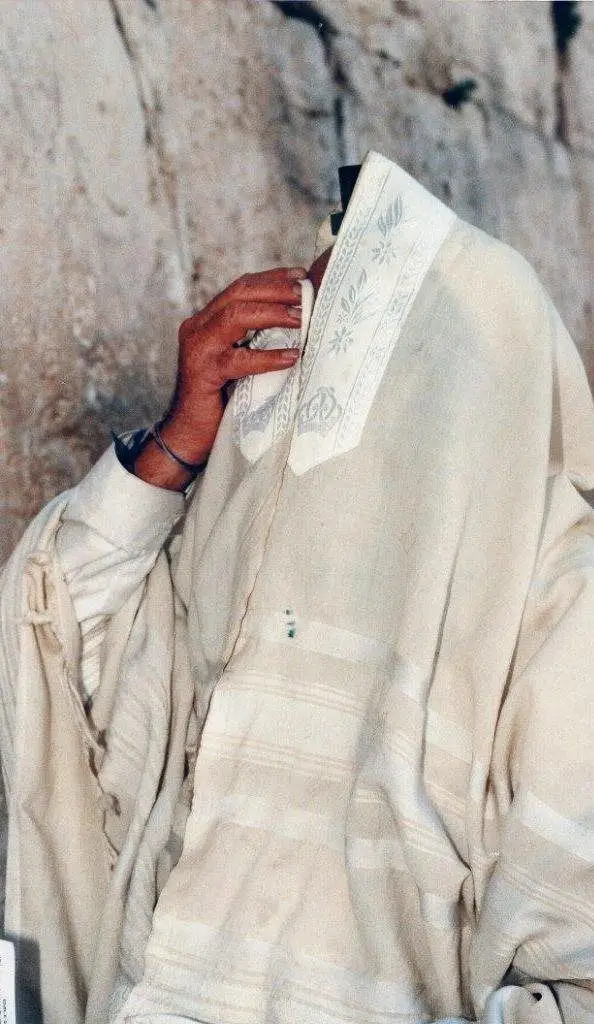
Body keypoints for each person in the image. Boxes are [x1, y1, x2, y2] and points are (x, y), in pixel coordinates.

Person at [1, 150, 594, 1024]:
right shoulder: (236, 543)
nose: (294, 361)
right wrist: (174, 448)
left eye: (342, 335)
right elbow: (58, 657)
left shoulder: (559, 608)